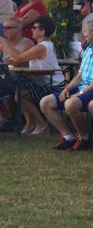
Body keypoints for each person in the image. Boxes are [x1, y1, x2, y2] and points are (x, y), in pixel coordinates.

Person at [39, 14, 93, 150]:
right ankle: (68, 136)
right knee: (45, 102)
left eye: (87, 31)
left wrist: (78, 94)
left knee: (70, 103)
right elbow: (79, 76)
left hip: (90, 89)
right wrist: (66, 89)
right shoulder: (88, 50)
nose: (84, 34)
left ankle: (84, 137)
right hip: (84, 87)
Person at [4, 16, 63, 135]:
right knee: (20, 91)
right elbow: (18, 59)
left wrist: (5, 42)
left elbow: (18, 58)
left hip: (53, 87)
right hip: (46, 83)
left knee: (21, 95)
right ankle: (31, 123)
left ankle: (42, 125)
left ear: (42, 31)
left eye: (34, 27)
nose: (31, 30)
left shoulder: (42, 46)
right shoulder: (43, 45)